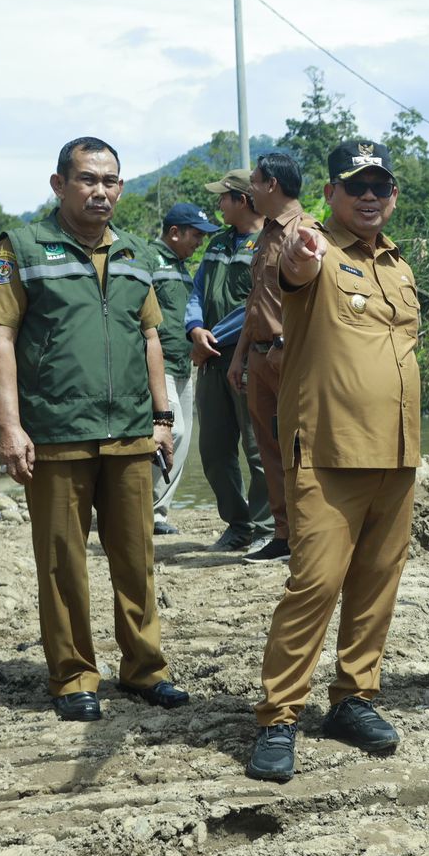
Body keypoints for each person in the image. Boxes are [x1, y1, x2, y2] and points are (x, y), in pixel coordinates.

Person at [0, 136, 190, 721]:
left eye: (111, 181)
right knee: (62, 562)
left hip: (129, 431)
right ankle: (73, 677)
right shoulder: (21, 247)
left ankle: (145, 669)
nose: (101, 191)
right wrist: (10, 427)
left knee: (136, 558)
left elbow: (150, 336)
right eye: (88, 180)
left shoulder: (135, 252)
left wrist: (162, 417)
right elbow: (0, 334)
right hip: (55, 432)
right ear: (59, 185)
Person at [245, 141, 421, 782]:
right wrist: (298, 257)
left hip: (397, 452)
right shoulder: (314, 249)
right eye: (356, 186)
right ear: (332, 195)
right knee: (314, 586)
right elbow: (294, 273)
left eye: (380, 186)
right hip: (326, 452)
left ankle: (354, 697)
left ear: (393, 196)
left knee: (377, 583)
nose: (370, 197)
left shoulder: (397, 264)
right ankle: (278, 716)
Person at [228, 152, 315, 566]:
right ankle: (283, 535)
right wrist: (241, 356)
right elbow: (256, 302)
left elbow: (316, 305)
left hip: (290, 358)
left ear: (271, 186)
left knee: (301, 449)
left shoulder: (306, 232)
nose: (250, 191)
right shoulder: (266, 234)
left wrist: (284, 347)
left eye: (254, 183)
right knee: (270, 449)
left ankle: (309, 535)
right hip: (261, 357)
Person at [186, 168, 273, 552]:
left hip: (251, 360)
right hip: (211, 361)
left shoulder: (270, 242)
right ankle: (238, 525)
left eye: (223, 197)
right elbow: (197, 290)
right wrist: (194, 329)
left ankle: (268, 528)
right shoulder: (219, 243)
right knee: (214, 450)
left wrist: (213, 336)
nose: (218, 203)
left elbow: (258, 304)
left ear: (242, 200)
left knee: (258, 450)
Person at [146, 202, 219, 536]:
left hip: (183, 365)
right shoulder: (148, 259)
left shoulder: (182, 267)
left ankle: (157, 512)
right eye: (195, 235)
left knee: (185, 439)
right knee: (169, 432)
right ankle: (136, 506)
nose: (199, 243)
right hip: (157, 366)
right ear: (174, 232)